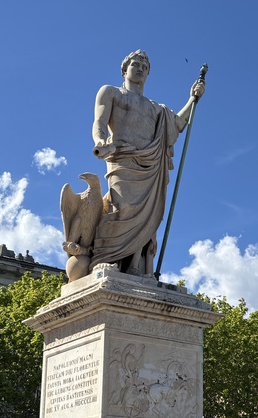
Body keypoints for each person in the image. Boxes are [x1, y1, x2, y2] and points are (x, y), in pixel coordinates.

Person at [90, 50, 205, 277]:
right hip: (122, 157)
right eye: (135, 63)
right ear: (124, 69)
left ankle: (135, 268)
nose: (140, 68)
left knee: (149, 218)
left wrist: (193, 99)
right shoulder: (111, 92)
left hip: (150, 166)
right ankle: (104, 259)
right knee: (122, 208)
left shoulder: (157, 109)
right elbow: (100, 122)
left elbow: (177, 126)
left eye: (145, 66)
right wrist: (101, 141)